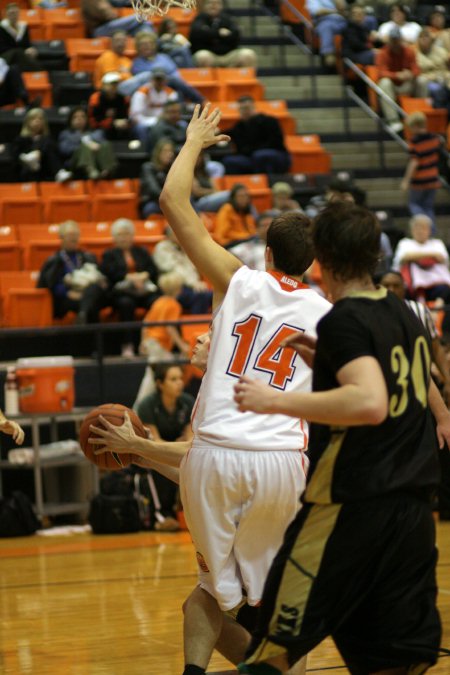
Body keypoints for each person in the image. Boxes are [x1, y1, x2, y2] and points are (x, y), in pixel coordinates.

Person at [234, 200, 450, 674]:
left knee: (273, 649)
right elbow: (401, 385)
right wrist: (328, 361)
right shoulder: (405, 313)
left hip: (348, 509)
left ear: (320, 258)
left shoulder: (344, 319)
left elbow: (370, 402)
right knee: (396, 660)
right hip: (412, 513)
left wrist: (274, 401)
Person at [158, 104, 331, 675]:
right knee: (280, 602)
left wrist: (193, 143)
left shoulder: (236, 277)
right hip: (284, 461)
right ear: (313, 264)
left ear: (269, 253)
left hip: (216, 455)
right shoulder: (328, 313)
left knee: (210, 595)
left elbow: (174, 204)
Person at [136, 363, 195, 531]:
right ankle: (162, 515)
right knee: (159, 463)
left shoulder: (188, 402)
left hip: (180, 451)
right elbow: (155, 443)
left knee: (195, 461)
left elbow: (191, 440)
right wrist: (176, 445)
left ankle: (189, 513)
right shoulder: (147, 405)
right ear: (160, 384)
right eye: (173, 379)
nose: (179, 383)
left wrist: (179, 445)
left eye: (180, 379)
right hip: (154, 453)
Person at [380, 269, 450, 404]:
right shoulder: (370, 313)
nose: (391, 290)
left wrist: (447, 380)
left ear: (404, 289)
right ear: (378, 287)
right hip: (385, 382)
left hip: (421, 383)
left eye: (396, 285)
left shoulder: (420, 310)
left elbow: (435, 349)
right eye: (386, 285)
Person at [100, 218, 160, 357]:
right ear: (114, 237)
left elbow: (152, 270)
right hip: (122, 293)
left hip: (143, 290)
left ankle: (154, 342)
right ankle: (127, 344)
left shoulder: (141, 251)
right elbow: (108, 273)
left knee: (157, 301)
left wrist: (143, 275)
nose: (124, 238)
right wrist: (128, 277)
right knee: (126, 304)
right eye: (120, 234)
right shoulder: (109, 254)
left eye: (127, 234)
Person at [37, 220, 107, 324]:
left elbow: (100, 279)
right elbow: (51, 284)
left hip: (88, 294)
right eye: (70, 235)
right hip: (67, 298)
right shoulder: (55, 260)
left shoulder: (88, 257)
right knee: (91, 305)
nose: (74, 238)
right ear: (61, 237)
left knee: (94, 292)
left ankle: (82, 314)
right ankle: (93, 336)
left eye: (76, 235)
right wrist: (68, 293)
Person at [375, 26, 428, 133]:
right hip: (392, 87)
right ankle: (393, 120)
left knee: (422, 80)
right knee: (384, 82)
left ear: (401, 40)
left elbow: (417, 69)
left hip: (407, 84)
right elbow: (381, 73)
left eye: (397, 40)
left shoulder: (409, 51)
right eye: (393, 40)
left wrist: (410, 74)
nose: (395, 43)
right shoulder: (383, 53)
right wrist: (397, 75)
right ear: (389, 40)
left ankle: (422, 116)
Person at [222, 96, 291, 175]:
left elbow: (276, 142)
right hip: (251, 157)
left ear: (254, 107)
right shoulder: (239, 126)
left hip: (276, 155)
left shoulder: (269, 121)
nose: (244, 111)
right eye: (241, 109)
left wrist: (253, 150)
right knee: (230, 161)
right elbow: (227, 134)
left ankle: (268, 182)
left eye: (246, 108)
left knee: (261, 156)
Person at [153, 226, 213, 314]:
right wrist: (193, 283)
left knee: (215, 295)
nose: (181, 235)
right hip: (173, 286)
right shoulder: (162, 248)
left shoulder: (185, 247)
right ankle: (196, 326)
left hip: (190, 284)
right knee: (200, 296)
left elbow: (192, 269)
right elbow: (175, 269)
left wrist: (196, 283)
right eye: (176, 234)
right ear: (169, 236)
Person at [131, 31, 203, 104]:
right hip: (151, 88)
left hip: (171, 86)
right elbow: (144, 78)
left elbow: (175, 73)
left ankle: (190, 106)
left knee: (177, 87)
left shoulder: (164, 57)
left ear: (154, 45)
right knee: (173, 82)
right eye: (143, 44)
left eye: (150, 43)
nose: (147, 46)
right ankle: (199, 100)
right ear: (138, 48)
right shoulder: (137, 63)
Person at [400, 112, 442, 225]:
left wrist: (406, 181)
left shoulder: (414, 142)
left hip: (419, 180)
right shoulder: (434, 138)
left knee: (414, 205)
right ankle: (430, 232)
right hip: (433, 178)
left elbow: (414, 163)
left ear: (415, 126)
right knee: (428, 207)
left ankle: (421, 228)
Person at [139, 271, 190, 362]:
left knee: (155, 370)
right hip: (159, 343)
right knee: (164, 369)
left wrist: (143, 342)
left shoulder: (158, 301)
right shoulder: (174, 305)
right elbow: (170, 327)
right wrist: (182, 346)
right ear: (178, 289)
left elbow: (145, 323)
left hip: (150, 341)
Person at [189, 0, 257, 67]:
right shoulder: (199, 19)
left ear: (221, 6)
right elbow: (197, 34)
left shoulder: (227, 19)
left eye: (217, 3)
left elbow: (235, 34)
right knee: (203, 56)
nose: (213, 6)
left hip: (228, 55)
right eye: (210, 3)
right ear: (204, 6)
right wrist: (218, 33)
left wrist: (210, 34)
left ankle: (244, 78)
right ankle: (206, 77)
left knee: (248, 55)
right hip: (210, 55)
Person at [58, 106, 118, 180]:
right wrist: (84, 143)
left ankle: (107, 171)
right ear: (70, 120)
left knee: (106, 144)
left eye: (82, 116)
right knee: (84, 146)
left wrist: (93, 144)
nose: (79, 119)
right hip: (76, 162)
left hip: (96, 159)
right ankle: (90, 170)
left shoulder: (95, 132)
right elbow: (64, 149)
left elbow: (102, 143)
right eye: (75, 117)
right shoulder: (66, 134)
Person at [11, 108, 70, 182]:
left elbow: (56, 155)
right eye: (33, 119)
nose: (37, 121)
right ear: (27, 122)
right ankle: (31, 158)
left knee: (47, 142)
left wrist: (39, 153)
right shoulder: (20, 139)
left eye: (40, 119)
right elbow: (15, 158)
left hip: (44, 170)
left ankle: (34, 157)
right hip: (27, 171)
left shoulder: (49, 139)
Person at [129, 69, 176, 148]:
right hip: (144, 122)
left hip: (163, 121)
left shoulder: (171, 93)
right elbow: (135, 117)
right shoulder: (141, 92)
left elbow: (172, 113)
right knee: (141, 128)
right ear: (151, 80)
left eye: (161, 79)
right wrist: (153, 122)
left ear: (166, 80)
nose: (159, 82)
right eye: (157, 79)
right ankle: (146, 153)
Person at [88, 72, 131, 141]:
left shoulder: (123, 99)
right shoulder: (96, 98)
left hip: (119, 129)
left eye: (116, 84)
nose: (114, 87)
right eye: (111, 84)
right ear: (104, 85)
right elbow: (93, 121)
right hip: (99, 129)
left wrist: (125, 123)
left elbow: (125, 116)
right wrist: (111, 123)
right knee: (98, 136)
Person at [139, 137, 176, 217]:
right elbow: (154, 191)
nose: (170, 154)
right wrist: (172, 199)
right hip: (153, 202)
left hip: (171, 201)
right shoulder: (148, 167)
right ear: (158, 152)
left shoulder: (173, 169)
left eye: (171, 151)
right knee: (150, 208)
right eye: (166, 151)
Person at [305, 0, 347, 68]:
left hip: (342, 20)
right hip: (323, 21)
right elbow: (318, 11)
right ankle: (328, 54)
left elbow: (344, 8)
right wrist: (335, 11)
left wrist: (341, 4)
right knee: (326, 27)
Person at [80, 0, 153, 38]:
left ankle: (155, 43)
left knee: (143, 25)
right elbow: (107, 15)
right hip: (100, 30)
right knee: (140, 17)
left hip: (111, 25)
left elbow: (119, 3)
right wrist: (114, 13)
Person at [0, 2, 39, 71]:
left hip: (21, 55)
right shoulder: (2, 27)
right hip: (4, 56)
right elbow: (2, 47)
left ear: (19, 13)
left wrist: (30, 49)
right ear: (6, 14)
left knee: (32, 53)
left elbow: (27, 43)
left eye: (15, 13)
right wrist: (22, 51)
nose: (13, 15)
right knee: (18, 53)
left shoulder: (23, 26)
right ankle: (38, 71)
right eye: (11, 13)